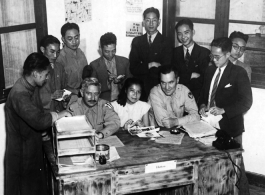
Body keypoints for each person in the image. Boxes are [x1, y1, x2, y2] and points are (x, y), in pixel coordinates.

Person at [4, 53, 71, 195]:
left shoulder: (30, 86)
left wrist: (42, 134)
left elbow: (34, 114)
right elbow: (38, 120)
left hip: (32, 149)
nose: (47, 78)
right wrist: (59, 114)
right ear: (35, 73)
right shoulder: (19, 94)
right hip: (22, 156)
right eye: (46, 75)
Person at [199, 37, 252, 195]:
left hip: (230, 127)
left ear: (228, 54)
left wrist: (224, 110)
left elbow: (246, 102)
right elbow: (204, 94)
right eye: (212, 56)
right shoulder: (209, 70)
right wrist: (202, 105)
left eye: (217, 57)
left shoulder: (238, 73)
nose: (214, 60)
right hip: (209, 125)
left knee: (235, 168)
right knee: (212, 168)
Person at [129, 7, 173, 97]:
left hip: (159, 88)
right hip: (139, 88)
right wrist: (150, 64)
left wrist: (142, 66)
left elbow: (165, 68)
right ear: (144, 23)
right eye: (148, 20)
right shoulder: (137, 41)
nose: (151, 23)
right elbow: (133, 68)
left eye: (154, 20)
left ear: (159, 22)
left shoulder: (166, 42)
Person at [172, 18, 210, 102]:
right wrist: (190, 75)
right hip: (176, 97)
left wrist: (181, 78)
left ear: (193, 32)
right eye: (179, 34)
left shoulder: (205, 53)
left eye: (186, 32)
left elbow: (204, 80)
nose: (183, 37)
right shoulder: (174, 52)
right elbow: (172, 77)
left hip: (197, 98)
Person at [86, 32, 132, 101]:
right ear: (100, 49)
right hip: (103, 102)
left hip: (122, 101)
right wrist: (107, 82)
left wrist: (120, 82)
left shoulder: (125, 62)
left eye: (113, 51)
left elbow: (131, 85)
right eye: (107, 51)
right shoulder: (94, 65)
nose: (110, 54)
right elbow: (93, 89)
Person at [56, 22, 88, 95]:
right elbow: (59, 85)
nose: (74, 42)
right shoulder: (60, 58)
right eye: (70, 39)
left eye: (76, 38)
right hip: (68, 96)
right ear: (63, 39)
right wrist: (76, 92)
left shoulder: (81, 53)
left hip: (83, 93)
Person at [39, 35, 68, 113]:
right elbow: (31, 97)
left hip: (59, 110)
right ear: (42, 49)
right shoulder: (36, 69)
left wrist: (65, 98)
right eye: (52, 51)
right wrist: (51, 96)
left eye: (58, 52)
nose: (55, 56)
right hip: (44, 112)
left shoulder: (59, 67)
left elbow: (64, 87)